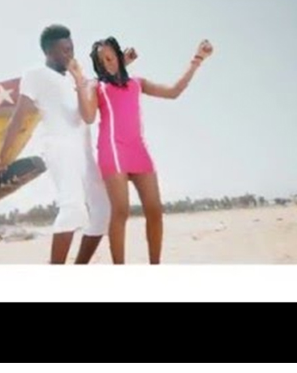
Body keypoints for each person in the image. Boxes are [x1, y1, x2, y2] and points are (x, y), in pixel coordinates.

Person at [0, 25, 137, 264]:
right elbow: (18, 117)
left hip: (84, 150)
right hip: (58, 147)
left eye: (71, 48)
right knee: (73, 209)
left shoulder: (75, 78)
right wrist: (1, 155)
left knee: (104, 211)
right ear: (49, 52)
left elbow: (96, 86)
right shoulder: (35, 75)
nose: (70, 54)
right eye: (64, 50)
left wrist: (123, 64)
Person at [68, 37, 213, 264]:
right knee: (121, 211)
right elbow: (88, 117)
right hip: (112, 150)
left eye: (110, 58)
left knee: (155, 210)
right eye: (102, 61)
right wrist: (78, 80)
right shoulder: (97, 87)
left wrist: (197, 59)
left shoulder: (137, 83)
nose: (107, 64)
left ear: (118, 56)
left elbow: (173, 92)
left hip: (137, 149)